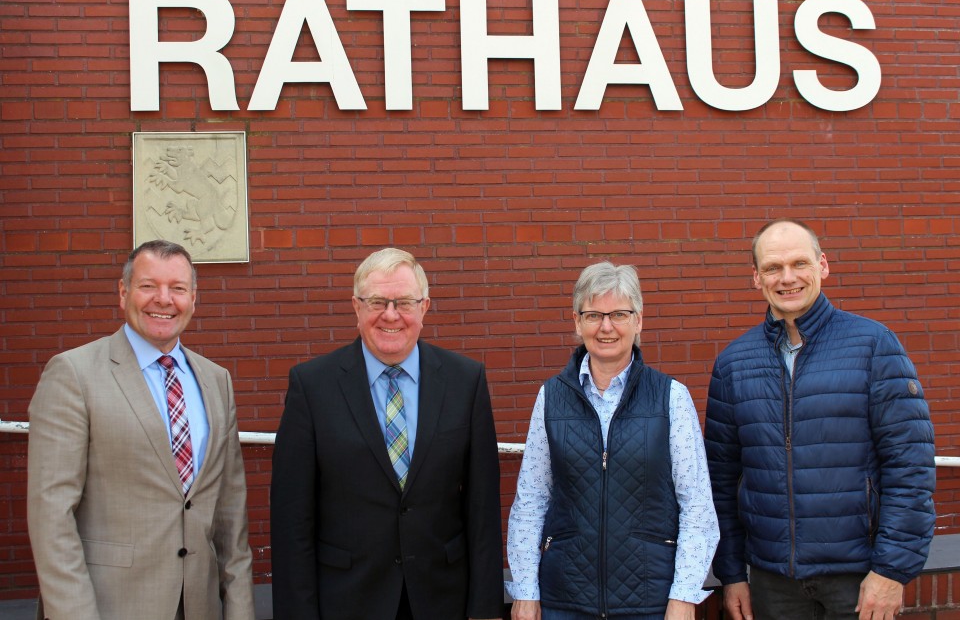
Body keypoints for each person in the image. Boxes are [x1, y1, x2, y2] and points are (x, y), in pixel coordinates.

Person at [704, 218, 936, 620]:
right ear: (756, 278)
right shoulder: (733, 363)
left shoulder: (874, 346)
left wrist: (892, 570)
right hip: (771, 580)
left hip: (860, 579)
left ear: (823, 265)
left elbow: (910, 467)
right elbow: (721, 481)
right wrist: (731, 573)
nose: (787, 278)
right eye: (774, 268)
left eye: (800, 263)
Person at [270, 247, 504, 620]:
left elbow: (483, 509)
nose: (391, 315)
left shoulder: (466, 382)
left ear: (424, 307)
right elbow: (291, 519)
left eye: (404, 303)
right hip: (346, 601)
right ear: (356, 307)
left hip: (442, 599)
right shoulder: (312, 387)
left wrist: (486, 607)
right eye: (377, 301)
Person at [27, 240, 255, 620]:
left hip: (200, 607)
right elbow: (51, 516)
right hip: (109, 607)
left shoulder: (217, 381)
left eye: (177, 288)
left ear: (193, 299)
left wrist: (240, 610)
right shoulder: (73, 374)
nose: (163, 300)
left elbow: (231, 516)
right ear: (123, 292)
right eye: (148, 286)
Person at [507, 261, 719, 620]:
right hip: (565, 601)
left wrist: (684, 596)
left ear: (638, 320)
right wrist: (525, 590)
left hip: (651, 602)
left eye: (619, 314)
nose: (606, 326)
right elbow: (530, 501)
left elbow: (696, 504)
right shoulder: (552, 397)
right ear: (577, 322)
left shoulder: (671, 397)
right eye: (593, 315)